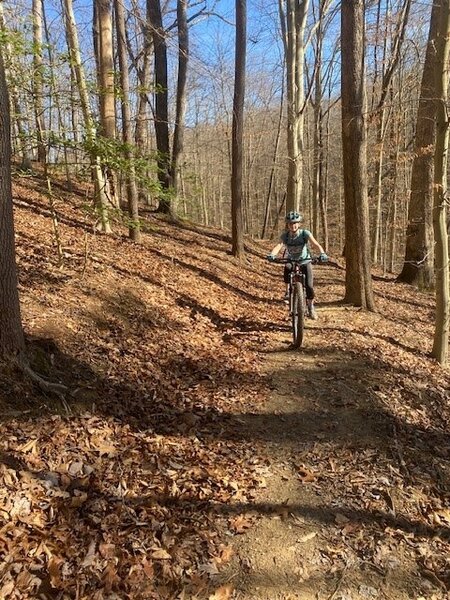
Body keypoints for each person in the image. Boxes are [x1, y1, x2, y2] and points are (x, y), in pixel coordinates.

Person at [266, 211, 328, 320]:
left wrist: (322, 253)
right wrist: (272, 254)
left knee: (309, 286)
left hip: (305, 260)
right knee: (287, 267)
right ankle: (287, 290)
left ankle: (310, 306)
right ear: (288, 225)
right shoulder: (285, 236)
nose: (293, 225)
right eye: (290, 223)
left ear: (299, 224)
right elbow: (278, 246)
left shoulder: (305, 234)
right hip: (291, 260)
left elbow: (315, 244)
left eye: (295, 223)